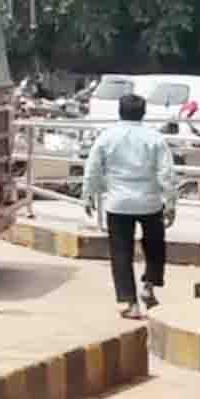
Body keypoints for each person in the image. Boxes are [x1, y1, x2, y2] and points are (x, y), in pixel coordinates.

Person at [83, 93, 178, 319]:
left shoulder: (107, 137)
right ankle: (149, 286)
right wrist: (170, 202)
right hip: (150, 202)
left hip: (118, 203)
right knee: (155, 246)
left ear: (120, 111)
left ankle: (131, 304)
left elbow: (93, 167)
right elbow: (166, 174)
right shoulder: (154, 138)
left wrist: (88, 194)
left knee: (121, 253)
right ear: (143, 112)